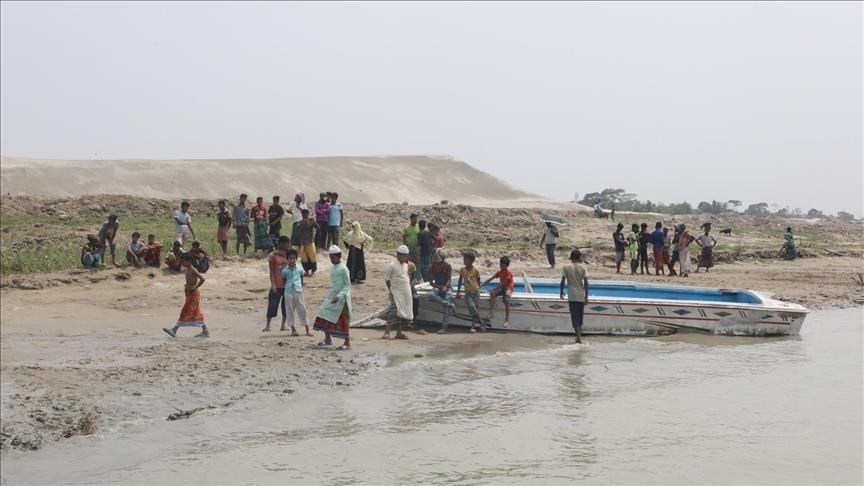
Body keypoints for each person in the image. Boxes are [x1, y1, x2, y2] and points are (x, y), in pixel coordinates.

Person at [313, 245, 353, 350]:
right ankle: (327, 339)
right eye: (330, 258)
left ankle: (347, 343)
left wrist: (339, 296)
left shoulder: (344, 269)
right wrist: (332, 296)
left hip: (342, 299)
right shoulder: (333, 268)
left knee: (343, 320)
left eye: (333, 258)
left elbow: (347, 285)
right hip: (331, 297)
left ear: (338, 257)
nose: (331, 260)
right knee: (324, 313)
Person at [163, 253, 209, 338]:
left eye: (184, 261)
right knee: (195, 312)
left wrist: (195, 287)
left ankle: (174, 330)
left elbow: (202, 279)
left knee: (185, 311)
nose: (182, 263)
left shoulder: (193, 270)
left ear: (189, 261)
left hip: (193, 294)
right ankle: (205, 331)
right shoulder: (187, 270)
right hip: (189, 294)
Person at [281, 248, 312, 336]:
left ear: (296, 259)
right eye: (290, 258)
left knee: (302, 309)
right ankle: (293, 330)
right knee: (289, 310)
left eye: (294, 258)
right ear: (287, 259)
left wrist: (300, 287)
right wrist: (288, 288)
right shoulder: (284, 270)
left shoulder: (299, 268)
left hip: (298, 291)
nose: (292, 260)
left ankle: (307, 329)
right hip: (288, 292)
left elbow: (301, 278)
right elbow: (284, 280)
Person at [383, 245, 412, 340]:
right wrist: (391, 289)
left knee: (402, 311)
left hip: (405, 292)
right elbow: (387, 278)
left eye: (407, 256)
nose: (406, 258)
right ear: (398, 255)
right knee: (394, 310)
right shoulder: (392, 265)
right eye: (404, 256)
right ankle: (387, 332)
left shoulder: (406, 265)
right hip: (396, 291)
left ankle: (399, 332)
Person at [560, 249, 589, 344]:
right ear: (579, 257)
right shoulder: (583, 268)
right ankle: (578, 337)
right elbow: (586, 283)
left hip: (572, 295)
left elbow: (563, 281)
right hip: (581, 295)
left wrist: (561, 291)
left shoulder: (566, 267)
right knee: (580, 317)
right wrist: (586, 296)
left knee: (574, 317)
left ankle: (578, 338)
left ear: (571, 257)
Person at [263, 236, 290, 332]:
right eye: (287, 244)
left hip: (287, 285)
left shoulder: (289, 255)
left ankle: (283, 325)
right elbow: (271, 270)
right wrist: (273, 284)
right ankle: (268, 325)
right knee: (272, 304)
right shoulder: (273, 255)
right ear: (281, 244)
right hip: (277, 284)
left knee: (286, 305)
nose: (288, 246)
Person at [481, 256, 514, 327]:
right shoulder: (499, 272)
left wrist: (494, 288)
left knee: (506, 300)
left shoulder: (509, 273)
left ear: (506, 265)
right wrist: (482, 284)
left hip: (508, 288)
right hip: (502, 288)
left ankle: (507, 320)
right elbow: (491, 278)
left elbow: (504, 284)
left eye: (503, 265)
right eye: (501, 264)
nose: (501, 266)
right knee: (492, 294)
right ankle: (491, 313)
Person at [428, 248, 456, 334]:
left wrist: (446, 287)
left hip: (446, 288)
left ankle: (444, 327)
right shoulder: (432, 266)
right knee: (431, 294)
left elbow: (449, 279)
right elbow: (431, 282)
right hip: (438, 287)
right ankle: (450, 304)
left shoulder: (447, 266)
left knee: (447, 299)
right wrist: (438, 287)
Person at [456, 251, 483, 332]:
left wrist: (478, 288)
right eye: (464, 259)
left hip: (475, 291)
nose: (464, 261)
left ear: (471, 261)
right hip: (468, 292)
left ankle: (473, 327)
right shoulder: (462, 270)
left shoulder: (476, 270)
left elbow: (478, 280)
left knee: (475, 309)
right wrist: (458, 291)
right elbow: (460, 281)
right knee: (472, 307)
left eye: (466, 259)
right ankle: (482, 322)